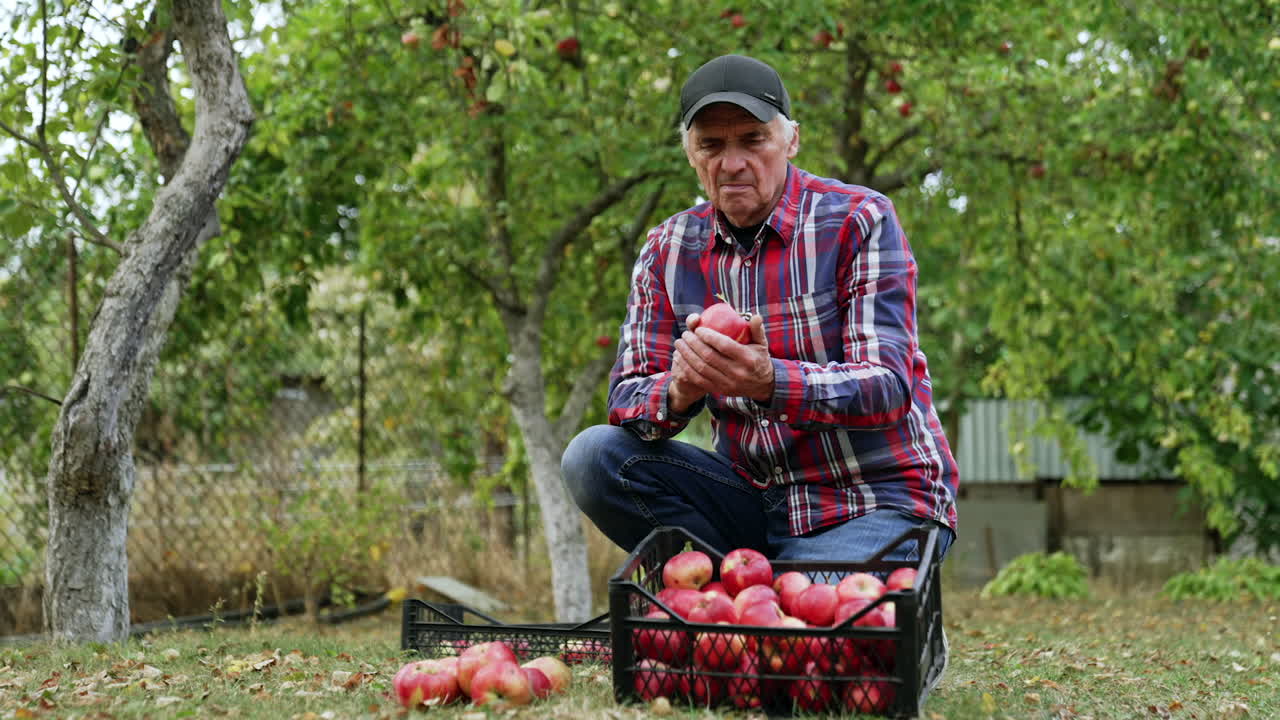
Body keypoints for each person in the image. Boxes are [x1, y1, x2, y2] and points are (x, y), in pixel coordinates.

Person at [562, 53, 959, 571]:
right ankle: (740, 586)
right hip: (751, 500)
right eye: (711, 145)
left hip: (870, 498)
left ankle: (865, 612)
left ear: (790, 140)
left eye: (753, 139)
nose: (731, 163)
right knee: (594, 458)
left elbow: (887, 387)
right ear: (690, 154)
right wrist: (682, 388)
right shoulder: (669, 247)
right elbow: (628, 399)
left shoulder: (859, 220)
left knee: (811, 642)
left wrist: (770, 381)